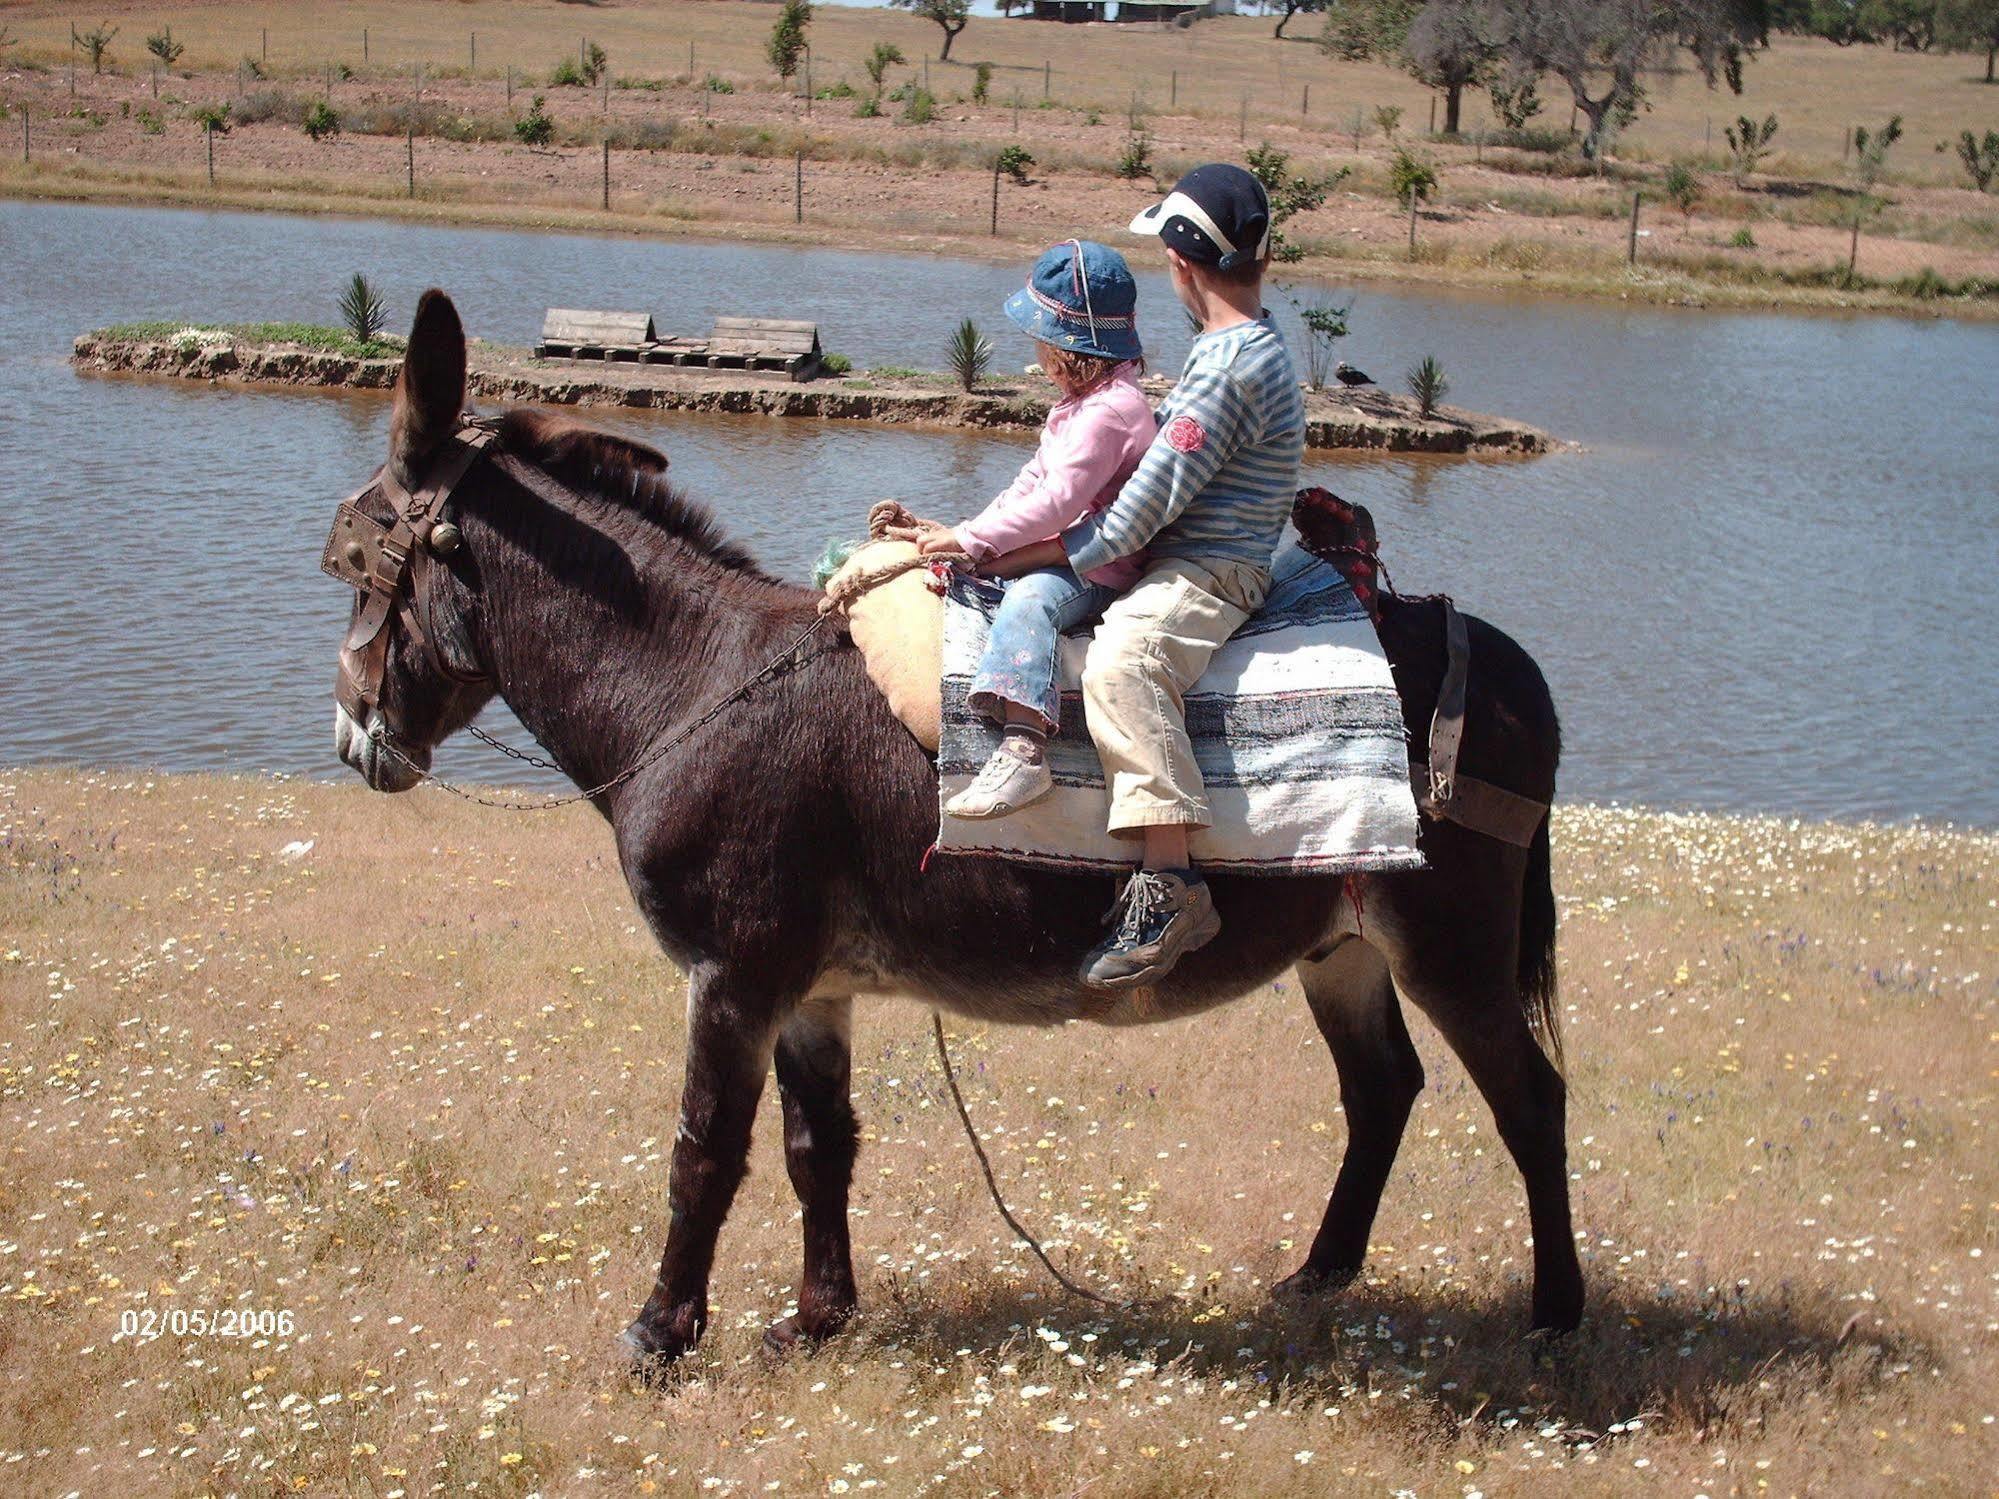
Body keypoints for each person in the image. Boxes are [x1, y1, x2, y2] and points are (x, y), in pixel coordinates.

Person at [1063, 163, 1308, 989]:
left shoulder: (1227, 365)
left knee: (1122, 660)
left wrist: (1035, 551)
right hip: (1205, 553)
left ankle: (1170, 883)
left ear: (1180, 267)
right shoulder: (1247, 344)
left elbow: (1142, 509)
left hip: (1210, 570)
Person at [906, 241, 1156, 820]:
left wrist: (972, 542)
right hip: (1065, 547)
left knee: (1029, 601)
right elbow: (1032, 482)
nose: (1038, 354)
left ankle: (1024, 747)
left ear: (1068, 348)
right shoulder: (1082, 405)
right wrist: (974, 532)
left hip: (1097, 564)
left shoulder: (1108, 414)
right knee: (989, 569)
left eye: (1042, 343)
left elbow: (1055, 502)